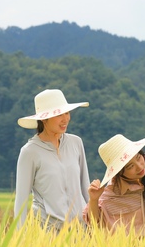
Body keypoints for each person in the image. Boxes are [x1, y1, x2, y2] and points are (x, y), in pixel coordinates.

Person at [14, 88, 91, 230]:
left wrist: (94, 225)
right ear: (44, 119)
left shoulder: (76, 143)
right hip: (48, 232)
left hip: (81, 231)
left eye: (67, 113)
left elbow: (85, 187)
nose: (65, 119)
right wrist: (20, 239)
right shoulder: (30, 152)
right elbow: (21, 201)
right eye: (59, 115)